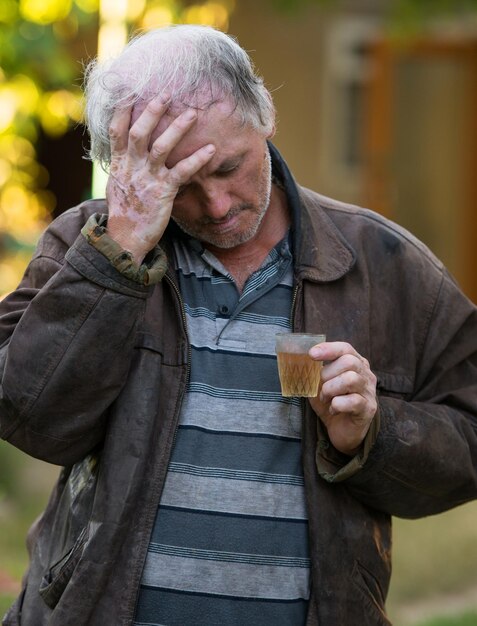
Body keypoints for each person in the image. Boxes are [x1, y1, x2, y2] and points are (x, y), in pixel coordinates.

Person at [1, 24, 477, 626]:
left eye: (229, 166)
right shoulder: (86, 245)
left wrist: (373, 433)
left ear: (265, 114)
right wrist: (117, 256)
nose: (217, 206)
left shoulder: (382, 261)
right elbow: (29, 417)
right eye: (180, 184)